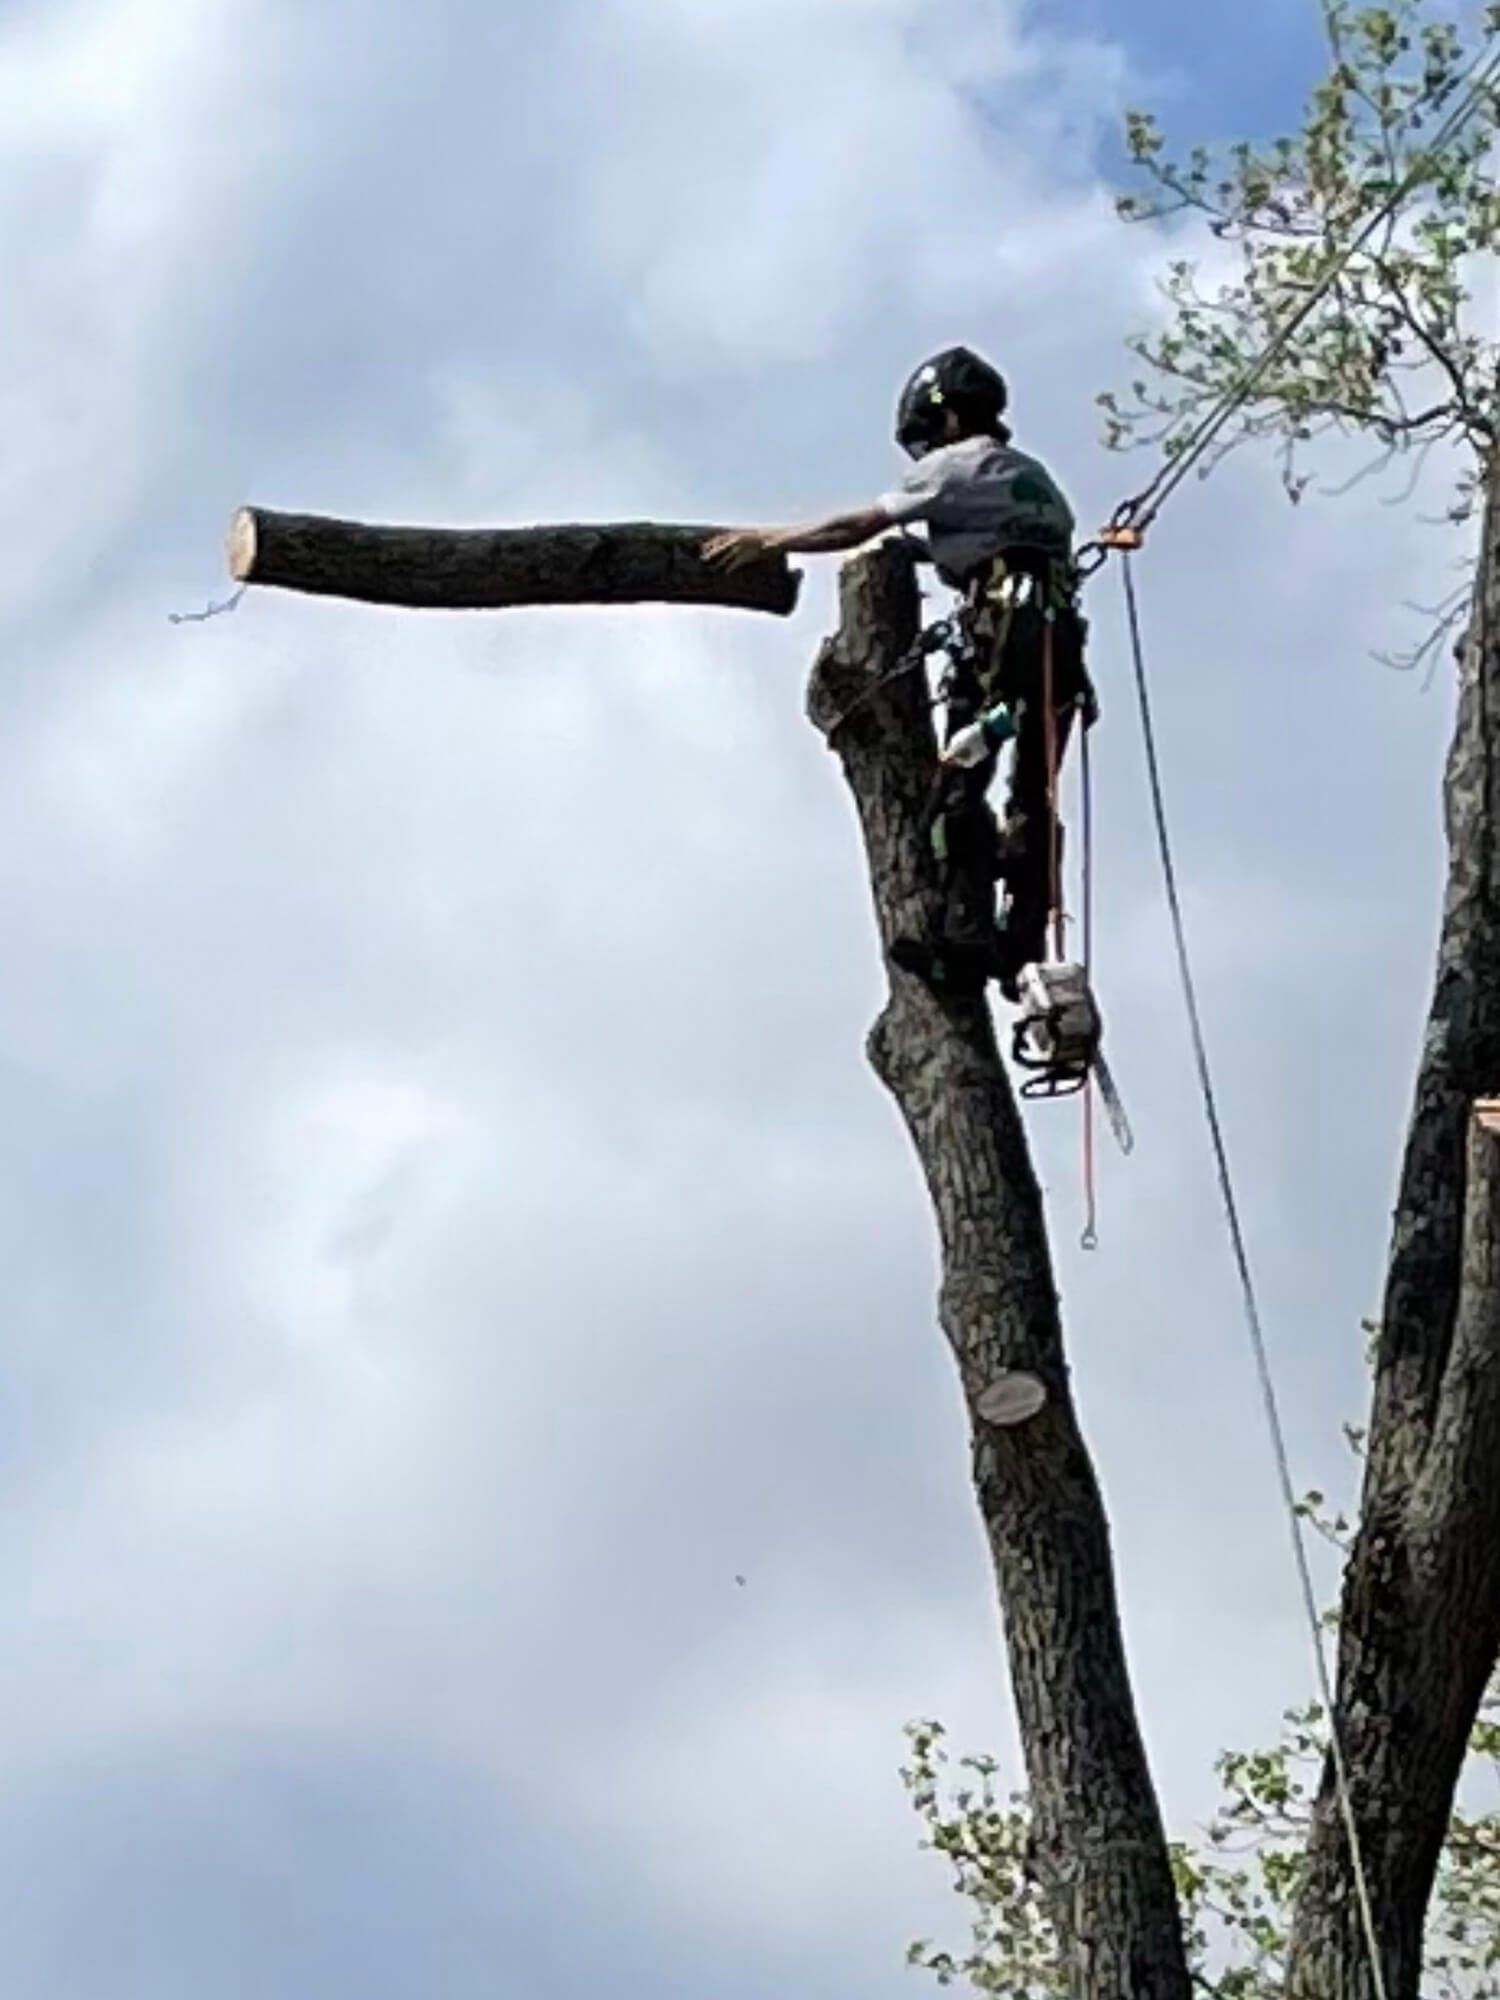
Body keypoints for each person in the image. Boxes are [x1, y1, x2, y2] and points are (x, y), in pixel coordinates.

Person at [705, 346, 1095, 1000]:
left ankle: (962, 933)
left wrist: (768, 540)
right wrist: (918, 552)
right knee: (1033, 791)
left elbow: (859, 523)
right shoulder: (1033, 478)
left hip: (1002, 638)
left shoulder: (956, 464)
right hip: (1057, 647)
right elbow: (985, 538)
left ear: (946, 420)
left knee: (960, 776)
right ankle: (1021, 940)